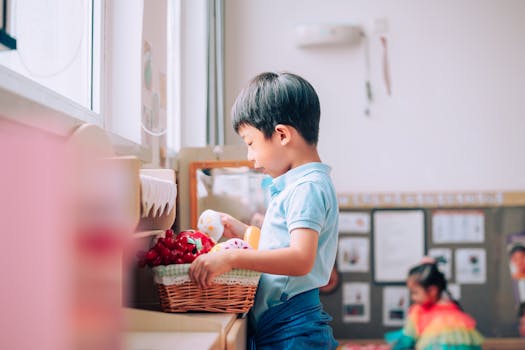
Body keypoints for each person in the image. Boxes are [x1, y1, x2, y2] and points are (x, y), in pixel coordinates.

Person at [189, 72, 339, 349]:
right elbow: (279, 244)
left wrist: (233, 258)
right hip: (281, 322)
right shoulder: (297, 185)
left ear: (281, 135)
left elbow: (300, 260)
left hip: (292, 328)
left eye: (250, 143)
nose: (250, 157)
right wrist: (244, 231)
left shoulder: (307, 188)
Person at [385, 258, 484, 350]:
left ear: (432, 291)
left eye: (415, 293)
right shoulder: (455, 314)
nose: (412, 298)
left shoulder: (422, 312)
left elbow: (405, 341)